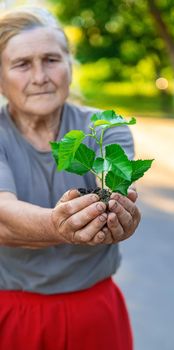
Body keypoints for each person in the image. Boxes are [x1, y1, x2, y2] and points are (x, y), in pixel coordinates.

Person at [0, 7, 141, 350]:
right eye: (22, 64)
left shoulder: (106, 126)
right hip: (12, 313)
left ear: (69, 66)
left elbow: (121, 189)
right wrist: (59, 226)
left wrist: (121, 215)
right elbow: (3, 214)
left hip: (94, 312)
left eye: (51, 60)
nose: (40, 77)